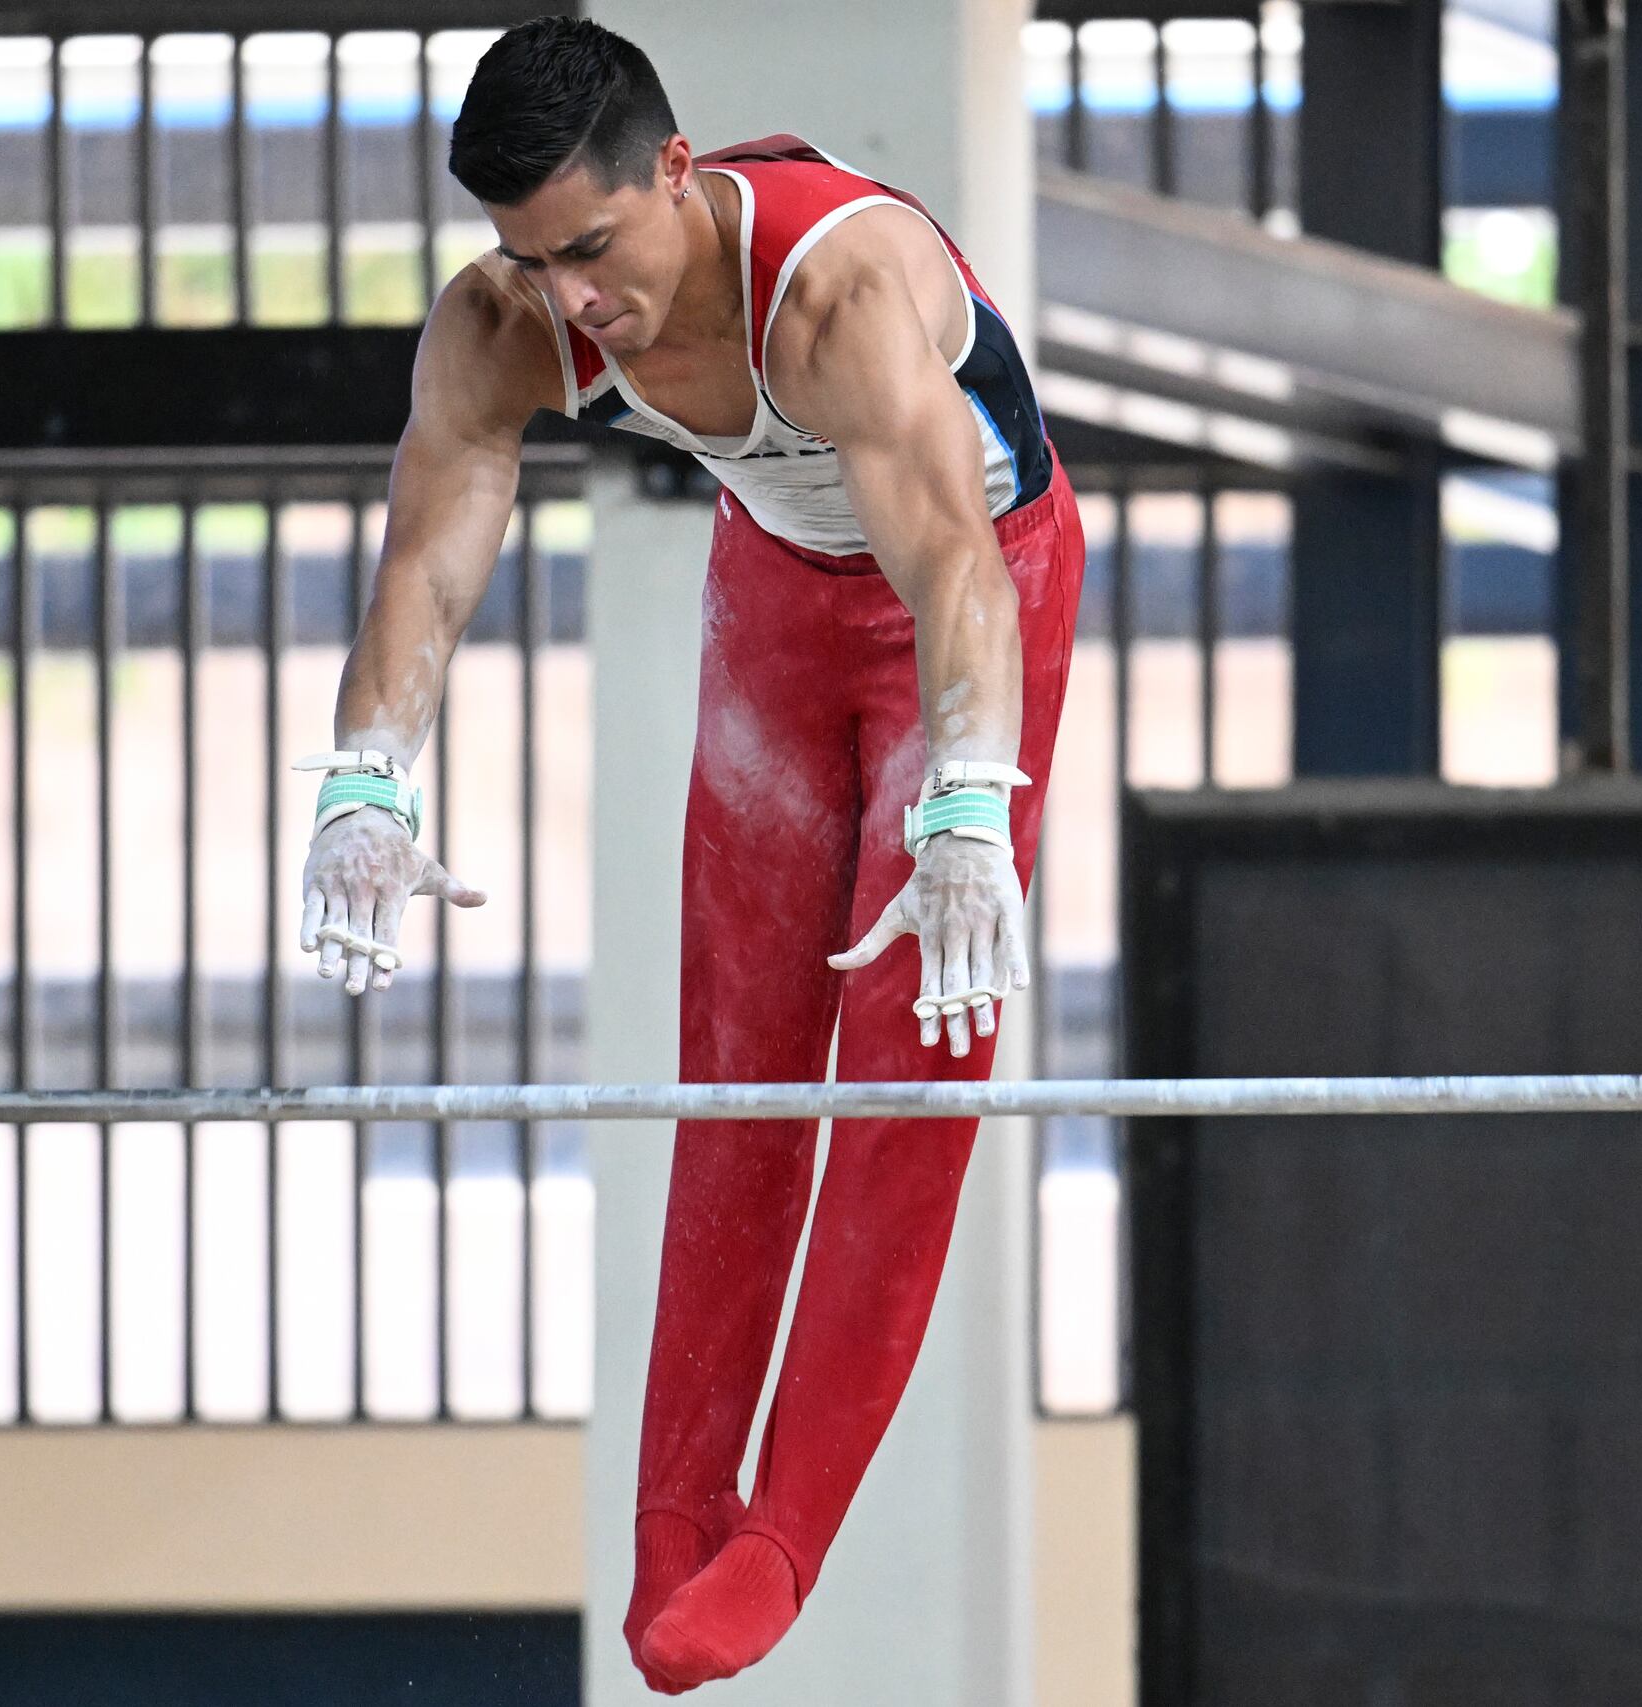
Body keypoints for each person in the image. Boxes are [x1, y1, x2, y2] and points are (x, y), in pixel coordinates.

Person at [292, 16, 1084, 1692]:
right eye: (530, 258)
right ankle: (678, 1505)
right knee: (732, 1062)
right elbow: (427, 558)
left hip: (976, 605)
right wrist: (371, 778)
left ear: (675, 171)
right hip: (781, 609)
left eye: (591, 247)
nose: (572, 297)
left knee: (908, 1064)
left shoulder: (839, 291)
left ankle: (787, 1526)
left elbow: (951, 560)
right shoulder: (508, 319)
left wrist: (964, 813)